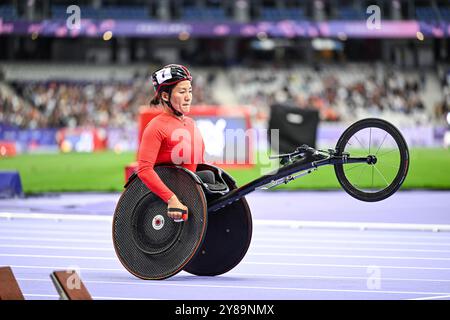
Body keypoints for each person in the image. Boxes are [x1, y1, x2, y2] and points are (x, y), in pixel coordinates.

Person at [137, 64, 205, 221]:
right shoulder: (156, 127)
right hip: (166, 209)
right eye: (182, 92)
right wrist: (171, 199)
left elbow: (199, 165)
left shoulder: (191, 124)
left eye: (189, 91)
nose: (188, 97)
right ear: (165, 96)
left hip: (191, 201)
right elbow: (144, 170)